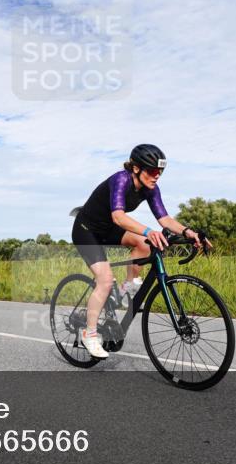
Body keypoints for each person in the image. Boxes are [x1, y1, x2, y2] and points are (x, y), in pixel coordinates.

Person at [71, 144, 209, 358]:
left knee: (144, 244)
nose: (157, 177)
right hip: (86, 230)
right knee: (105, 280)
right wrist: (148, 230)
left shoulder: (150, 189)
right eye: (153, 171)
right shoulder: (121, 179)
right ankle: (90, 334)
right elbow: (118, 217)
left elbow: (165, 219)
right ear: (136, 168)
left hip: (108, 230)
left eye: (160, 172)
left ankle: (127, 290)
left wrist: (188, 232)